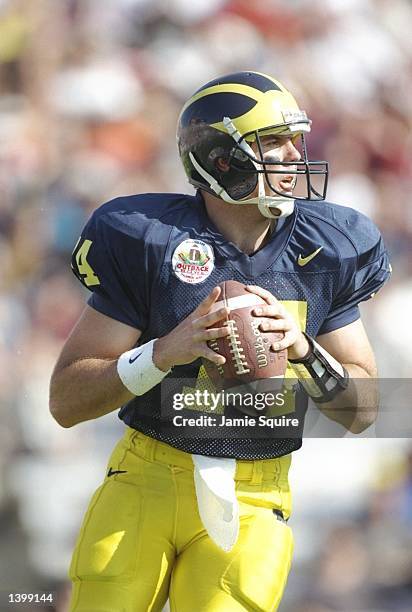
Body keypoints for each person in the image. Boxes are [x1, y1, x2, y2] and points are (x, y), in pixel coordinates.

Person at [49, 71, 391, 612]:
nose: (292, 153)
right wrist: (162, 354)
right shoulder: (147, 238)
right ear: (222, 158)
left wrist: (305, 349)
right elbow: (66, 401)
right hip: (147, 477)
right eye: (272, 141)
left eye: (293, 138)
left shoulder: (330, 246)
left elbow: (365, 408)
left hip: (258, 494)